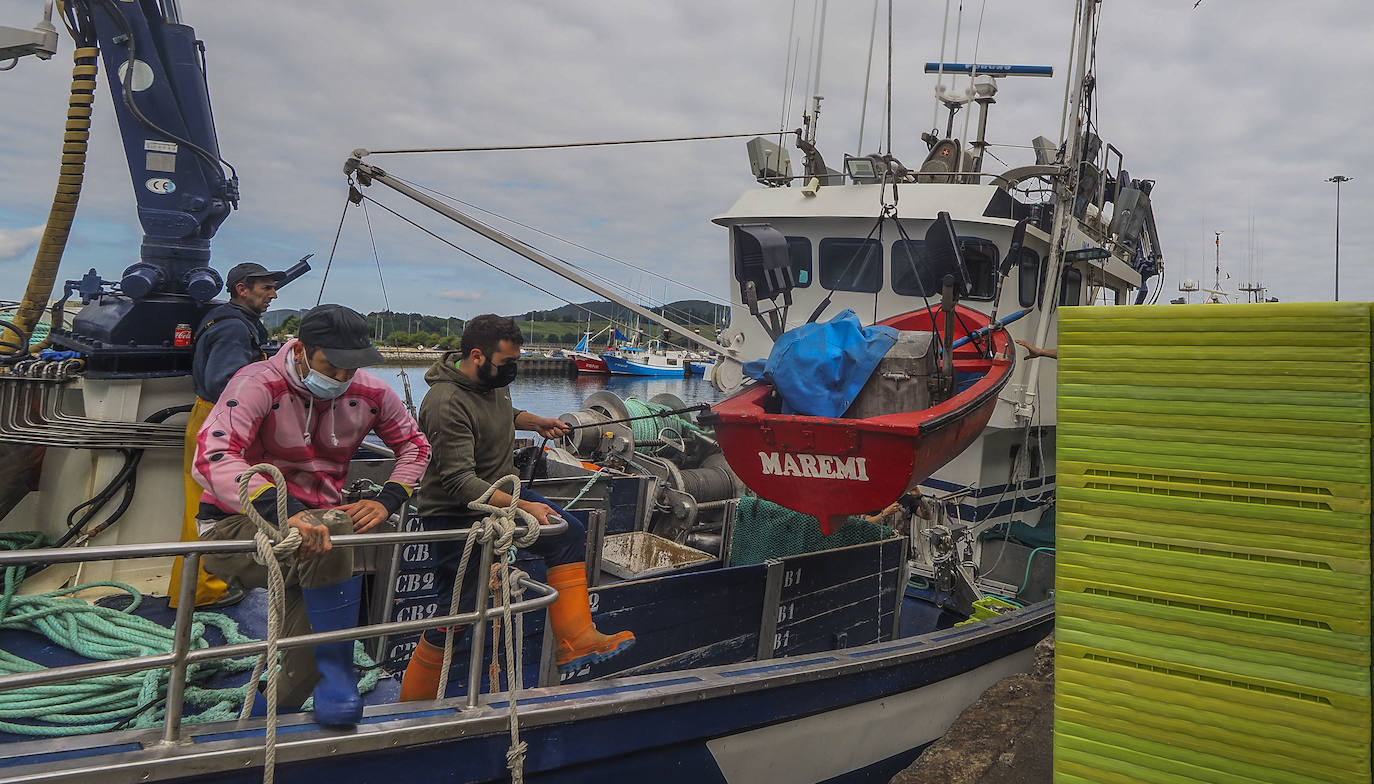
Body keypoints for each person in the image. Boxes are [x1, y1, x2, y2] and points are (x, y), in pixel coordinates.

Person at [192, 304, 431, 726]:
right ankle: (340, 669)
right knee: (335, 524)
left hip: (317, 543)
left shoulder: (372, 394)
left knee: (306, 657)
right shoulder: (257, 383)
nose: (341, 378)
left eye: (351, 367)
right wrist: (287, 514)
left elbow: (416, 446)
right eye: (332, 365)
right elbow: (213, 455)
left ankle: (260, 723)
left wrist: (388, 499)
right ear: (301, 350)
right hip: (234, 530)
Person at [400, 314, 635, 701]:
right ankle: (412, 704)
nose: (514, 369)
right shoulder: (445, 402)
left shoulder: (489, 380)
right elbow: (459, 483)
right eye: (508, 363)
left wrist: (533, 421)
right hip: (458, 512)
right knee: (455, 615)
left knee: (567, 534)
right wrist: (524, 505)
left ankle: (576, 640)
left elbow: (499, 415)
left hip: (499, 500)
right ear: (476, 356)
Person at [170, 261, 285, 609]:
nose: (273, 294)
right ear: (242, 288)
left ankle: (204, 584)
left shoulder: (227, 320)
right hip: (220, 419)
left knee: (209, 503)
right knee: (205, 507)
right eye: (266, 288)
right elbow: (227, 383)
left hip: (210, 414)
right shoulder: (234, 328)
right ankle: (202, 590)